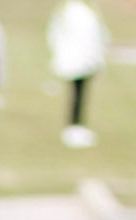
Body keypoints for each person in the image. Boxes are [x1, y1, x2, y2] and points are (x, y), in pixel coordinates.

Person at [46, 0, 110, 146]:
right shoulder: (74, 11)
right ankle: (73, 127)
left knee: (80, 94)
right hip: (77, 61)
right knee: (77, 94)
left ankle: (76, 126)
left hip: (82, 61)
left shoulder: (84, 11)